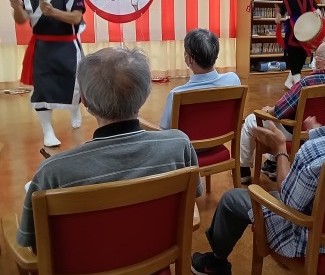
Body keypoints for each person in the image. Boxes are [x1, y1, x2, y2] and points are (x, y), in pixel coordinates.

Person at [191, 56, 325, 275]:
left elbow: (289, 203)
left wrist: (280, 149)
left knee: (232, 199)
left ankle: (216, 264)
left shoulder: (314, 152)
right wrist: (317, 135)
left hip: (313, 243)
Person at [17, 47, 203, 249]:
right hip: (156, 255)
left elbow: (31, 242)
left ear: (84, 101)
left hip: (86, 267)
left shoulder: (52, 172)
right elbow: (194, 196)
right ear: (146, 93)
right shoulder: (179, 144)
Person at [238, 38, 325, 184]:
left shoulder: (307, 83)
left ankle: (244, 170)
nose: (314, 58)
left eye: (316, 56)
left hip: (297, 133)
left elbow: (279, 111)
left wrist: (269, 111)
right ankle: (272, 164)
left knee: (251, 120)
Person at [7, 0, 86, 147]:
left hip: (68, 47)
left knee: (74, 85)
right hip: (42, 47)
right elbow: (21, 20)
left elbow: (76, 18)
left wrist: (53, 13)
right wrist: (16, 8)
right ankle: (48, 130)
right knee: (42, 89)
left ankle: (75, 110)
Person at [159, 28, 241, 129]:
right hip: (223, 136)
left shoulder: (175, 94)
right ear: (216, 55)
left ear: (189, 59)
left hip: (188, 140)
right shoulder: (233, 80)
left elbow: (165, 130)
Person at [276, 0, 320, 89]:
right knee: (294, 58)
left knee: (300, 61)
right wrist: (278, 17)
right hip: (293, 32)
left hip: (306, 33)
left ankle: (288, 82)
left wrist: (318, 12)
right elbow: (281, 11)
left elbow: (317, 9)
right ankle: (299, 88)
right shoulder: (288, 0)